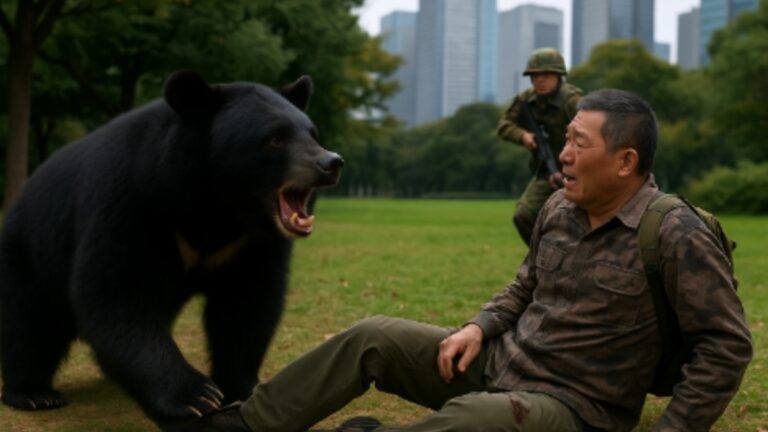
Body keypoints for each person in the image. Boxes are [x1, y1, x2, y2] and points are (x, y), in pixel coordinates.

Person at [180, 89, 752, 432]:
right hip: (502, 362)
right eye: (567, 139)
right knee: (372, 336)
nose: (566, 155)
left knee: (475, 421)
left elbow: (726, 346)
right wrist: (478, 328)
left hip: (574, 408)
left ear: (626, 162)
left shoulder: (674, 232)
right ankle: (248, 422)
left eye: (581, 144)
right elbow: (523, 285)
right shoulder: (559, 205)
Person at [498, 47, 583, 246]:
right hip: (546, 172)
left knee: (579, 222)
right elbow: (503, 126)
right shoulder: (526, 100)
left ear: (558, 75)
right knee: (523, 215)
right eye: (535, 76)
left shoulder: (573, 101)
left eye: (545, 75)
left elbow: (593, 132)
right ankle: (544, 259)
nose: (539, 80)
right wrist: (522, 136)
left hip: (580, 172)